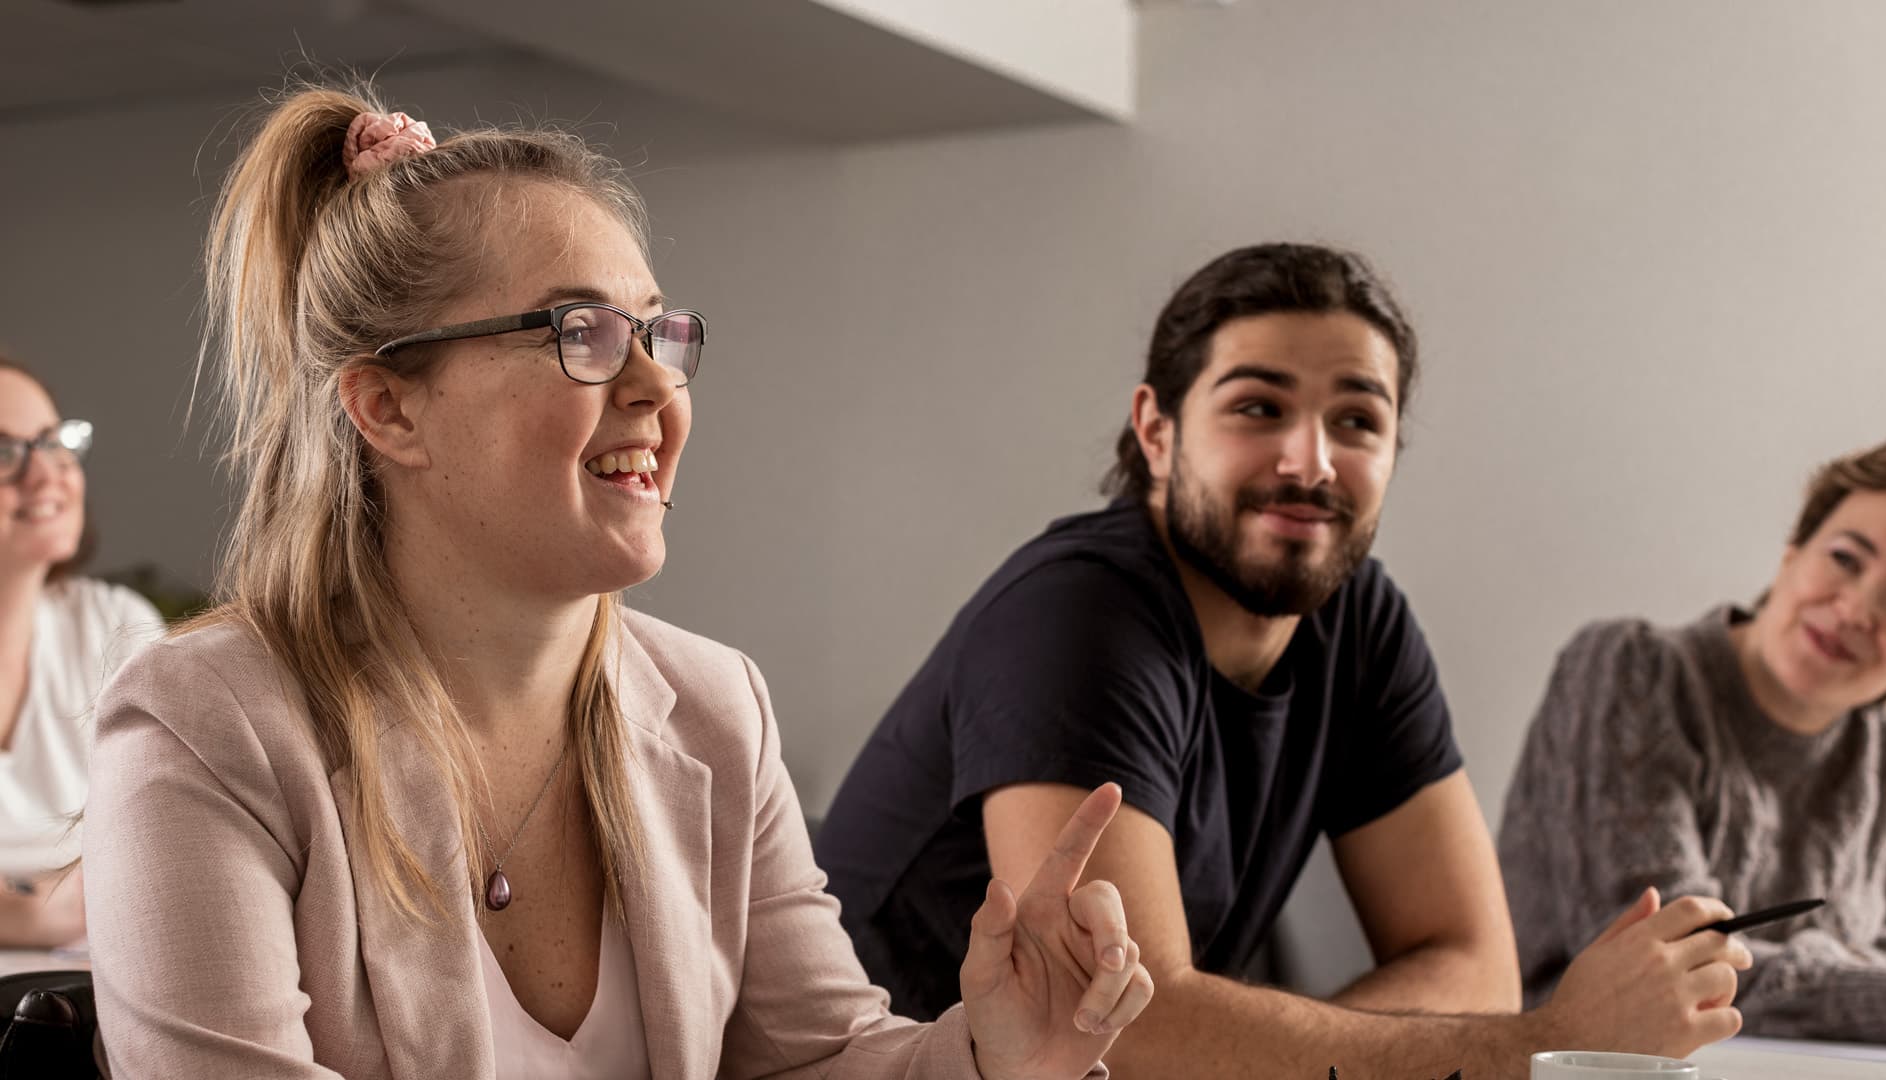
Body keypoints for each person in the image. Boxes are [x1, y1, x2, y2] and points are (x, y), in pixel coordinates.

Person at [81, 86, 1151, 1079]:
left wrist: (993, 1055)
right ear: (387, 409)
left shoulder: (717, 707)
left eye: (655, 332)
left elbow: (817, 1059)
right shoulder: (207, 723)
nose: (654, 386)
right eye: (579, 332)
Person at [816, 243, 1751, 1079]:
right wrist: (1548, 1046)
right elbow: (1128, 1034)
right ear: (1156, 430)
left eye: (1358, 421)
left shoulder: (1361, 618)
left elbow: (1472, 964)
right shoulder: (1078, 615)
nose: (1311, 462)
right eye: (1259, 407)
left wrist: (1269, 1056)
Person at [1501, 430, 1886, 1044]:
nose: (1855, 609)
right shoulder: (1632, 671)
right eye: (1844, 559)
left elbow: (1882, 968)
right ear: (1791, 553)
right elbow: (1667, 972)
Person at [0, 355, 162, 948]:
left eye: (52, 442)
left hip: (102, 997)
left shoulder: (113, 625)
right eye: (2, 453)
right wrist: (36, 913)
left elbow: (173, 848)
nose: (46, 476)